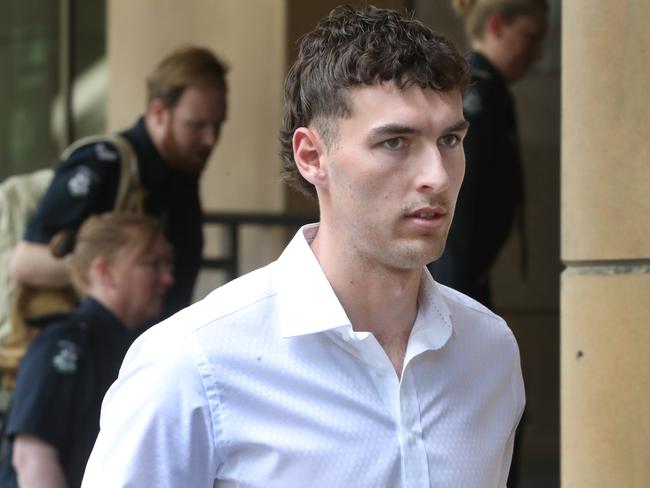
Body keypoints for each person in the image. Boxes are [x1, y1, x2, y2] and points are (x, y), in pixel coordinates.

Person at [82, 6, 525, 487]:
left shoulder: (490, 351)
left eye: (451, 139)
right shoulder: (192, 364)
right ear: (312, 156)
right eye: (396, 142)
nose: (437, 176)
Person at [9, 45, 228, 318]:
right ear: (158, 112)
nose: (211, 140)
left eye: (217, 126)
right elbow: (25, 263)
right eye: (196, 126)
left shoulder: (182, 170)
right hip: (93, 350)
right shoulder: (103, 164)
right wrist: (115, 270)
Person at [0, 213, 173, 488]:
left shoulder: (140, 344)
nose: (167, 278)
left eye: (168, 264)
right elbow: (32, 457)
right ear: (104, 272)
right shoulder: (66, 344)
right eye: (152, 264)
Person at [428, 0, 548, 307]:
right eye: (529, 38)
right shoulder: (475, 97)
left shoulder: (488, 91)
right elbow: (457, 205)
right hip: (456, 282)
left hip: (467, 278)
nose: (537, 55)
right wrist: (452, 297)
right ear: (496, 26)